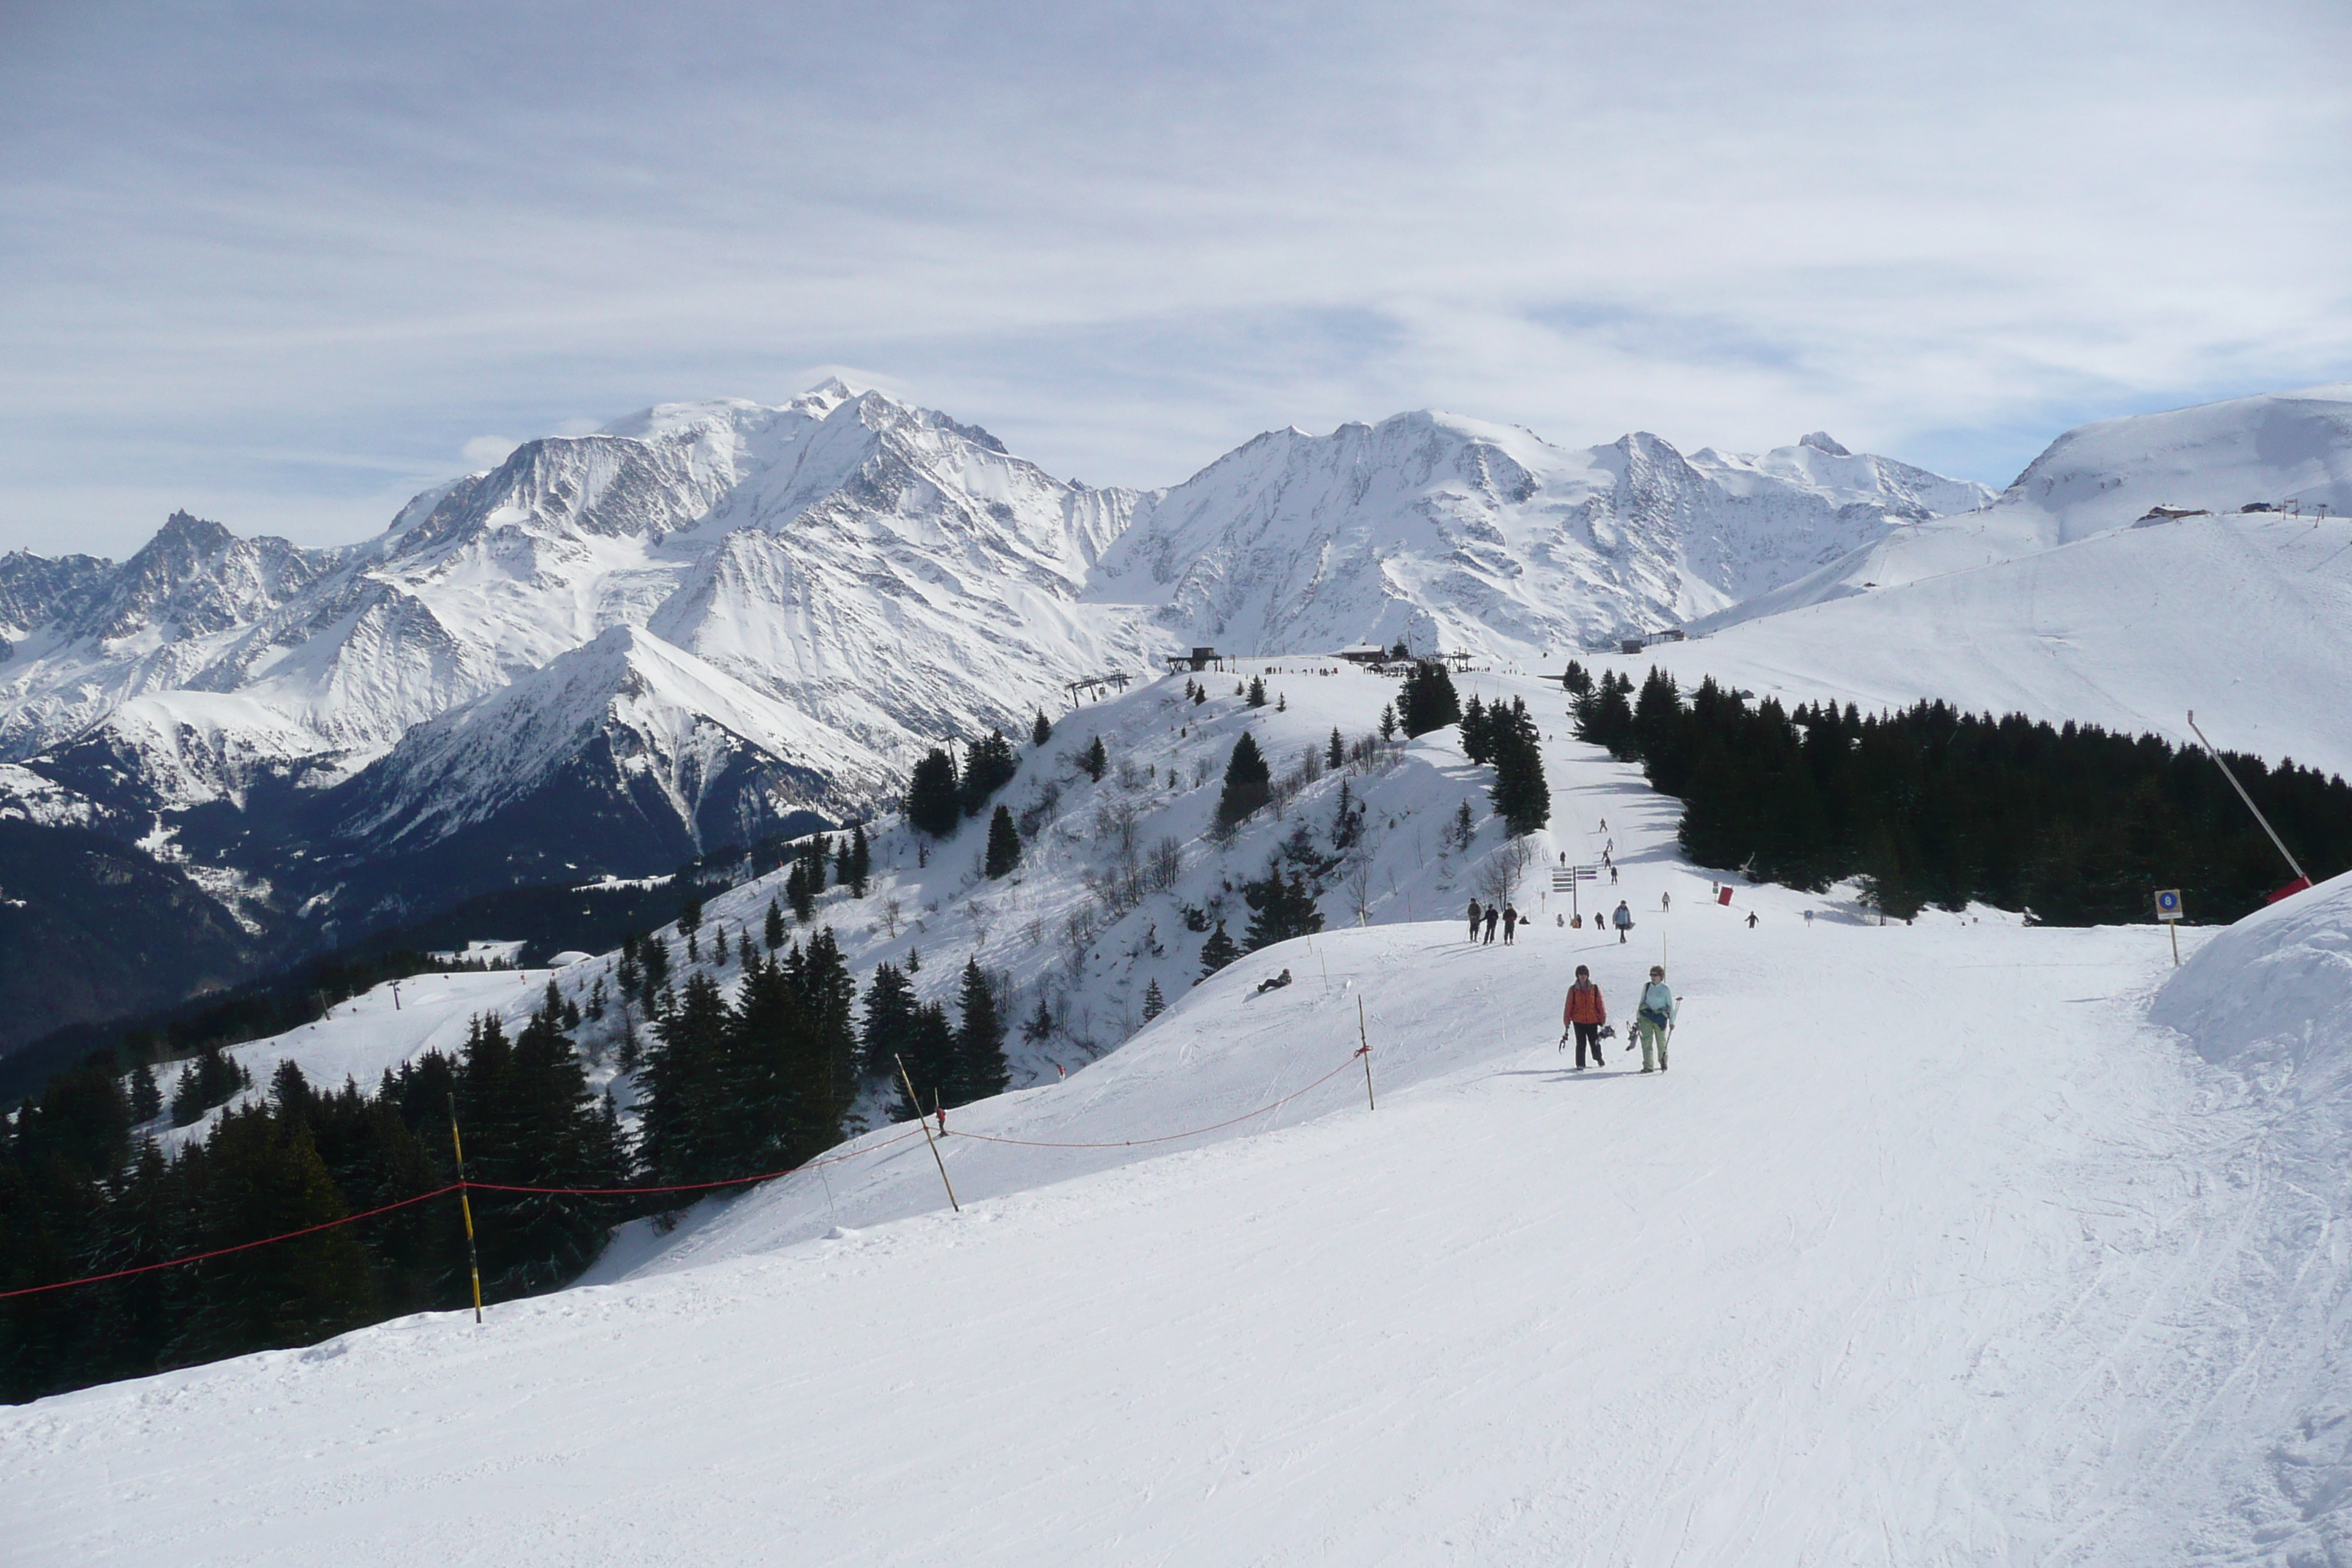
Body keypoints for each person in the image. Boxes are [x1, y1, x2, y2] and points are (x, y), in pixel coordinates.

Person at [1563, 964, 1607, 1068]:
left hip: (1592, 1020)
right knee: (1581, 1043)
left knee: (1594, 1042)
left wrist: (1602, 1019)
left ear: (1588, 975)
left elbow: (1600, 1004)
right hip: (1578, 1021)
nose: (1583, 976)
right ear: (1577, 976)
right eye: (1580, 974)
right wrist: (1567, 1021)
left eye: (1584, 974)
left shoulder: (1594, 988)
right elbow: (1569, 1005)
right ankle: (1580, 1064)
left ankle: (1598, 1058)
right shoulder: (1573, 990)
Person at [1636, 965, 1676, 1072]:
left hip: (1660, 1018)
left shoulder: (1665, 989)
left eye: (1655, 975)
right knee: (1646, 1041)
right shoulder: (1647, 986)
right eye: (1651, 975)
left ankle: (1663, 1061)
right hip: (1647, 1017)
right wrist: (1639, 1015)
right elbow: (1642, 1001)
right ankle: (1648, 1066)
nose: (1653, 977)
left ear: (1661, 976)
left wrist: (1672, 1021)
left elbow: (1670, 1006)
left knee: (1661, 1042)